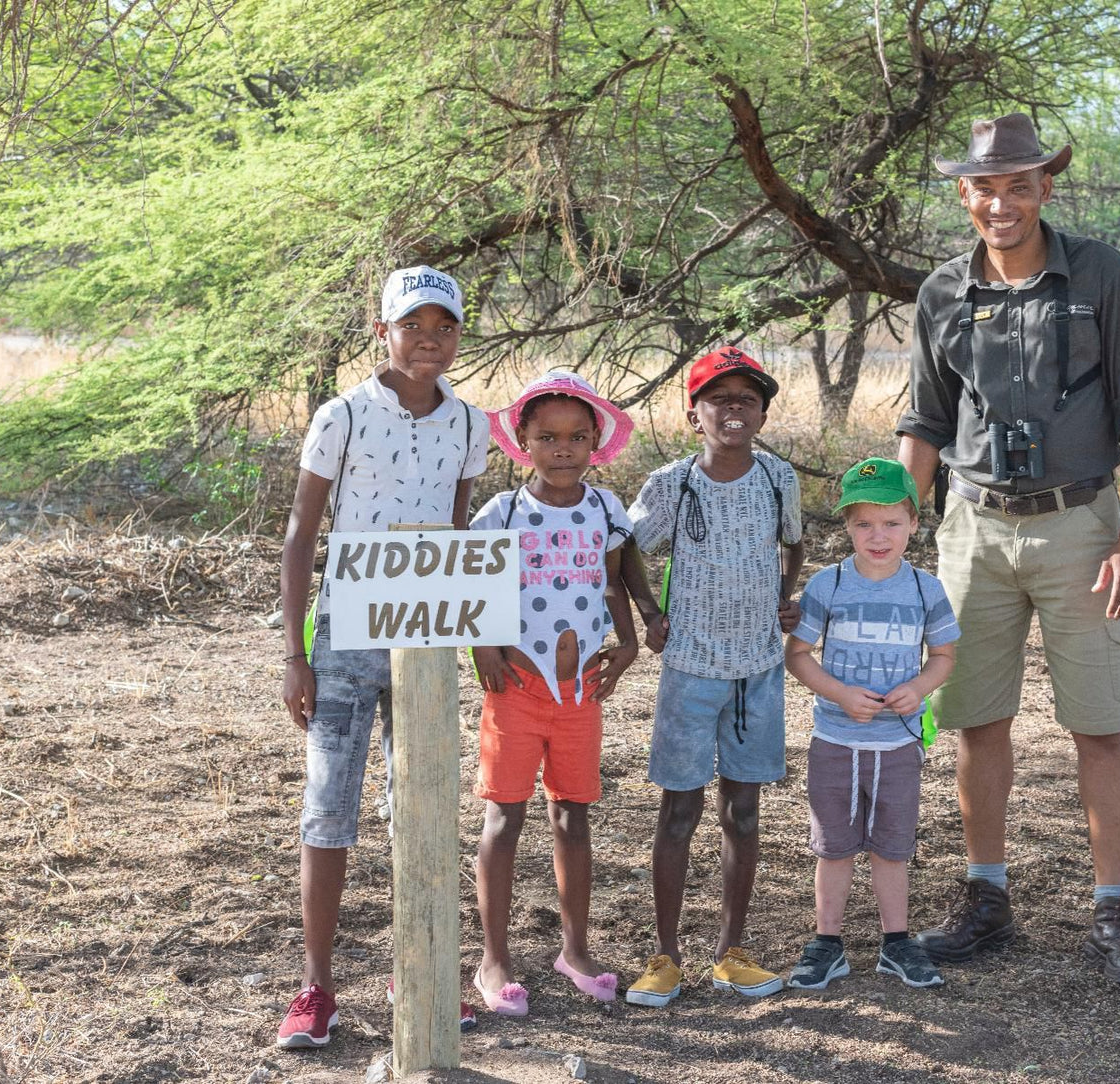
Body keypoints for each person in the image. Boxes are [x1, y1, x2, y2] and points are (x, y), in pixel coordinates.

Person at [895, 113, 1120, 988]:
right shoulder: (940, 292)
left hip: (1082, 525)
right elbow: (924, 425)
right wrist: (894, 542)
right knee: (976, 719)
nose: (1000, 203)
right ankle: (985, 897)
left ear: (1045, 187)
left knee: (1098, 723)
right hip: (971, 528)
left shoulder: (1100, 275)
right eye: (984, 187)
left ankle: (1113, 907)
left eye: (1018, 185)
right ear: (963, 194)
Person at [277, 265, 489, 1047]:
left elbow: (460, 539)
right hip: (346, 632)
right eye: (412, 326)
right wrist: (296, 652)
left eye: (444, 327)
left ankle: (423, 971)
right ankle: (315, 988)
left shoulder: (470, 424)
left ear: (460, 336)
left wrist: (472, 640)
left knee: (422, 803)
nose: (428, 340)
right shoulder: (343, 415)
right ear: (382, 332)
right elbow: (302, 534)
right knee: (330, 806)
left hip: (428, 635)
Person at [622, 346, 806, 1007]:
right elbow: (624, 547)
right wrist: (649, 611)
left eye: (746, 399)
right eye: (717, 399)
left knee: (744, 810)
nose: (732, 409)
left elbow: (795, 541)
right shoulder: (671, 483)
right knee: (678, 812)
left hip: (756, 669)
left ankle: (731, 951)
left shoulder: (778, 478)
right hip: (689, 670)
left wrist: (786, 597)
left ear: (760, 413)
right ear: (692, 413)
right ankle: (665, 956)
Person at [467, 371, 640, 1017]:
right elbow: (468, 587)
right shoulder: (502, 512)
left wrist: (623, 646)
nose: (562, 448)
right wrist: (481, 645)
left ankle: (574, 949)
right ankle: (494, 957)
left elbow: (617, 581)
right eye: (547, 437)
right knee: (503, 818)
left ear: (595, 440)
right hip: (515, 689)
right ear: (523, 442)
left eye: (575, 437)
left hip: (578, 694)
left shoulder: (605, 509)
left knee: (572, 815)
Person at [783, 458, 959, 992]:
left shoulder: (926, 589)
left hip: (898, 743)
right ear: (847, 526)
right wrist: (838, 694)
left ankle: (896, 942)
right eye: (863, 523)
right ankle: (827, 943)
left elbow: (944, 655)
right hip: (836, 740)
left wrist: (920, 688)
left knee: (892, 845)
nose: (877, 536)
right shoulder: (828, 584)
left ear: (914, 523)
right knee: (834, 844)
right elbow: (799, 655)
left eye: (891, 523)